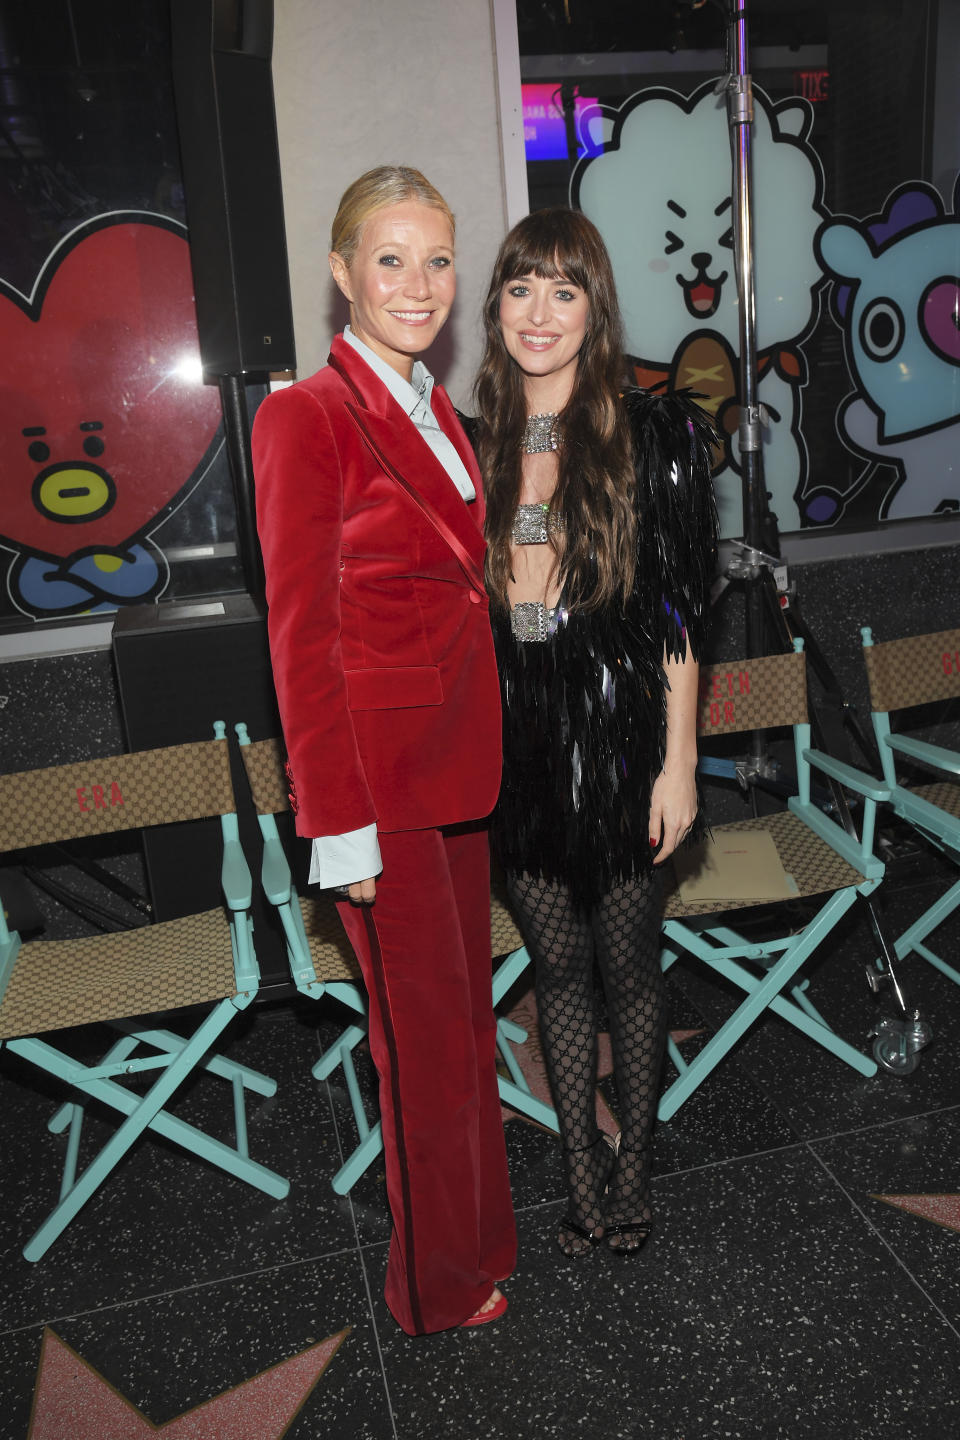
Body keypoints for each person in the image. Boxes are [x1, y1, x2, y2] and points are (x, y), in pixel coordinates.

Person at [251, 166, 516, 1333]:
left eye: (439, 261)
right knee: (418, 1054)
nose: (419, 285)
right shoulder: (304, 417)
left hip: (458, 769)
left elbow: (455, 588)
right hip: (381, 795)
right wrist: (336, 822)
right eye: (393, 260)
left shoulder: (434, 406)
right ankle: (437, 1288)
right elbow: (302, 640)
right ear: (342, 271)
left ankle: (483, 1241)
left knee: (465, 1030)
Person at [472, 208, 716, 1257]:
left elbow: (674, 619)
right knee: (556, 970)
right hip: (513, 747)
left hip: (620, 743)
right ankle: (579, 1172)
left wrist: (681, 767)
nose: (541, 311)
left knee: (630, 967)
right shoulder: (466, 435)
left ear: (595, 311)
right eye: (523, 287)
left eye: (565, 290)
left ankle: (637, 1166)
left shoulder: (650, 434)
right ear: (496, 305)